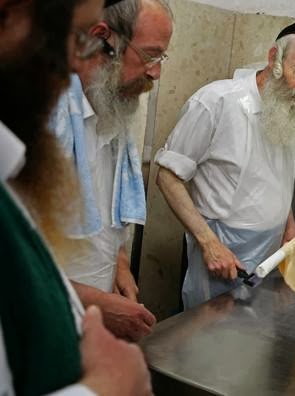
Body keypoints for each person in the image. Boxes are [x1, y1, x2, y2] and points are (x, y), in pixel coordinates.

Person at [0, 0, 151, 394]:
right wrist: (108, 386)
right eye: (77, 38)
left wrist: (116, 270)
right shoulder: (45, 125)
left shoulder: (112, 113)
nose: (74, 65)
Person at [155, 22, 295, 309]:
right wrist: (209, 243)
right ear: (274, 58)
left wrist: (289, 226)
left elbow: (280, 176)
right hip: (222, 253)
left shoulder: (291, 110)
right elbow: (167, 177)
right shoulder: (217, 101)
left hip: (269, 253)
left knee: (248, 344)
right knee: (208, 341)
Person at [52, 0, 174, 341]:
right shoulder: (44, 119)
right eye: (150, 55)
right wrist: (92, 303)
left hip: (88, 323)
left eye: (161, 58)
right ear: (102, 37)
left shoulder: (111, 111)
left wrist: (119, 263)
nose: (155, 72)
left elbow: (102, 208)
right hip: (35, 321)